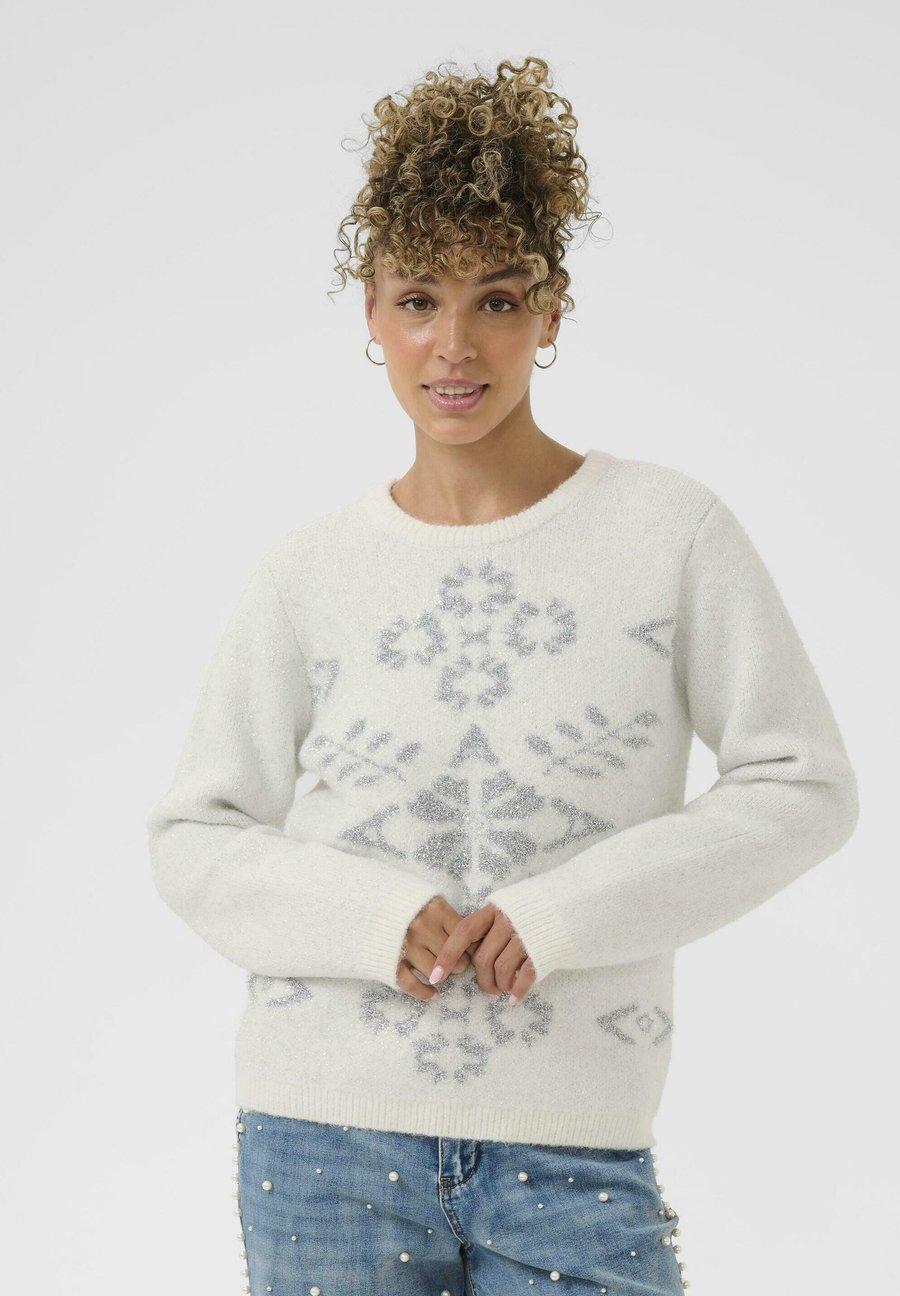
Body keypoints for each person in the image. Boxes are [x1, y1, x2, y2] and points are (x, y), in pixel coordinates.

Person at [146, 55, 859, 1296]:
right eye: (419, 298)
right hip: (321, 1142)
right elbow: (194, 838)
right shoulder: (309, 574)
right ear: (371, 311)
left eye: (498, 297)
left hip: (573, 1149)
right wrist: (371, 920)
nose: (455, 344)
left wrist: (570, 911)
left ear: (553, 310)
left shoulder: (671, 534)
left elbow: (804, 787)